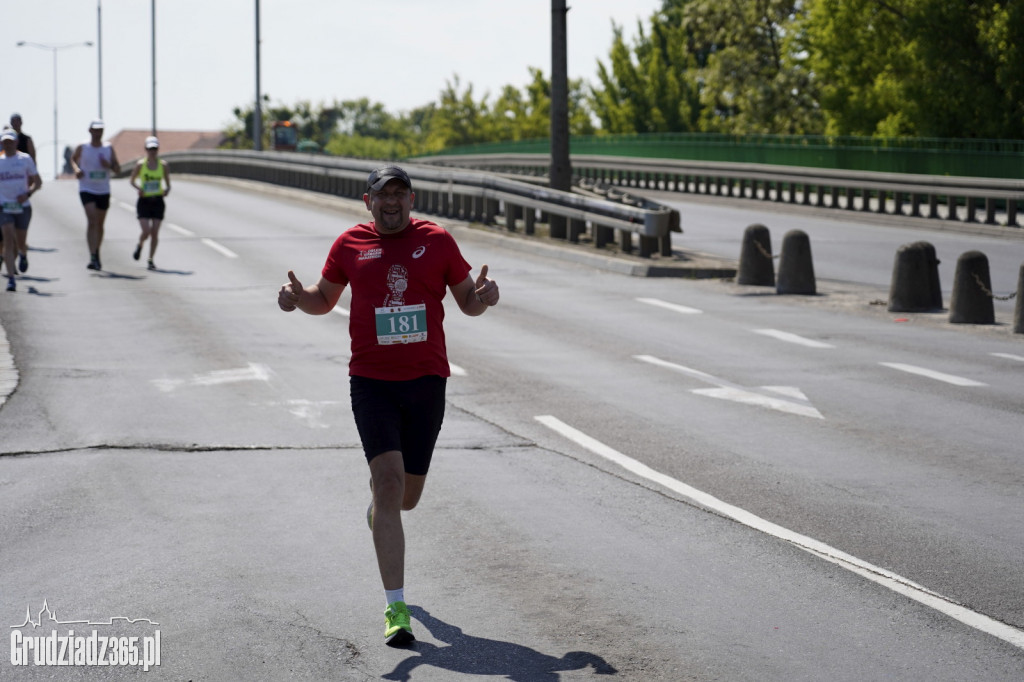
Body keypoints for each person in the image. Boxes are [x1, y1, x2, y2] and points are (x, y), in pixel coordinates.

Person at [278, 165, 499, 647]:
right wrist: (298, 300)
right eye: (384, 196)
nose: (392, 202)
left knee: (406, 498)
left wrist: (485, 297)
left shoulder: (437, 241)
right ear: (368, 201)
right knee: (389, 482)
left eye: (401, 194)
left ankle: (381, 510)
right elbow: (323, 298)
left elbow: (467, 301)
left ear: (412, 199)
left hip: (426, 382)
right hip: (372, 382)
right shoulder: (349, 245)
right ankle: (396, 608)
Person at [70, 120, 120, 270]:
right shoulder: (83, 146)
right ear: (90, 131)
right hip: (87, 188)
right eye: (95, 130)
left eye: (100, 130)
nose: (98, 133)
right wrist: (76, 169)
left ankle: (96, 251)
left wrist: (109, 165)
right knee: (92, 220)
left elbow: (117, 169)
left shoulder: (108, 148)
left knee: (100, 223)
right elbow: (73, 159)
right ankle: (92, 255)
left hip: (103, 189)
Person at [0, 128, 43, 292]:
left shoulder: (25, 159)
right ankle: (11, 278)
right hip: (4, 207)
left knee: (20, 242)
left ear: (16, 142)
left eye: (11, 141)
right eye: (5, 142)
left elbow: (37, 182)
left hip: (22, 207)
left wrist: (28, 193)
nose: (8, 144)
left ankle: (23, 254)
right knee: (7, 240)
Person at [128, 136, 171, 270]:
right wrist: (138, 188)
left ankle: (150, 259)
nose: (152, 151)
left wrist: (166, 190)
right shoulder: (141, 165)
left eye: (155, 149)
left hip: (157, 200)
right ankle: (140, 245)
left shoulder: (163, 165)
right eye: (150, 149)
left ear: (158, 149)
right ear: (146, 149)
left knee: (155, 232)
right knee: (146, 231)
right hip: (144, 201)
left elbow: (168, 184)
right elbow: (132, 180)